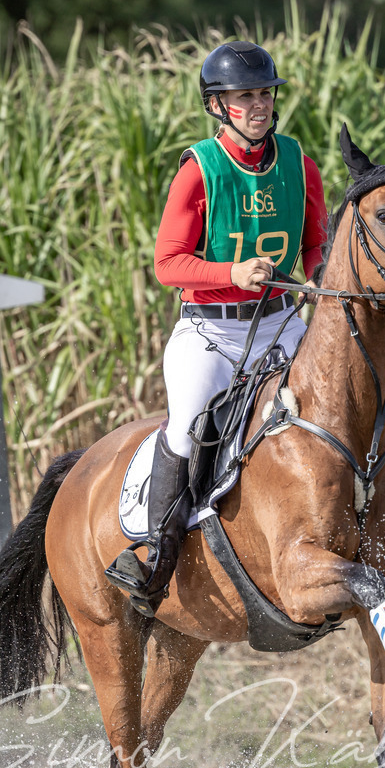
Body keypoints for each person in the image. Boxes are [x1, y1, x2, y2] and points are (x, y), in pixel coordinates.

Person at [105, 40, 327, 616]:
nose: (257, 104)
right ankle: (156, 555)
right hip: (211, 332)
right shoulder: (198, 169)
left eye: (263, 93)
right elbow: (166, 264)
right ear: (218, 106)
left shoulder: (300, 166)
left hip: (280, 325)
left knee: (346, 400)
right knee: (184, 430)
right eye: (243, 96)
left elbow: (316, 249)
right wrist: (231, 272)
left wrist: (330, 283)